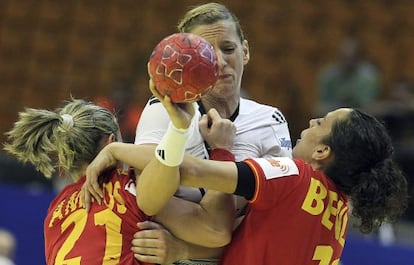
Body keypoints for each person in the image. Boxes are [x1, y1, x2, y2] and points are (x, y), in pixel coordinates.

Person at [85, 91, 408, 264]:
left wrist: (116, 152)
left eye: (321, 122)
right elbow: (252, 248)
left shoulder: (295, 173)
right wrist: (181, 251)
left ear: (322, 152)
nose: (311, 120)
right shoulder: (339, 211)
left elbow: (185, 170)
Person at [130, 3, 292, 262]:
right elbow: (151, 203)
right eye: (205, 52)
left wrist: (188, 247)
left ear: (246, 51)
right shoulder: (161, 111)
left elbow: (271, 221)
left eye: (228, 49)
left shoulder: (270, 121)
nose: (218, 61)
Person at [3, 98, 234, 265]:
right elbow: (215, 231)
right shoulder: (128, 185)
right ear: (111, 141)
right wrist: (221, 151)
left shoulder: (55, 211)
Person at [315, 37, 381, 115]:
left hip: (361, 120)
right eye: (344, 57)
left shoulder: (369, 77)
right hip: (333, 118)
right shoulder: (328, 76)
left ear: (359, 57)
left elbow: (371, 107)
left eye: (351, 57)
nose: (347, 62)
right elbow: (319, 107)